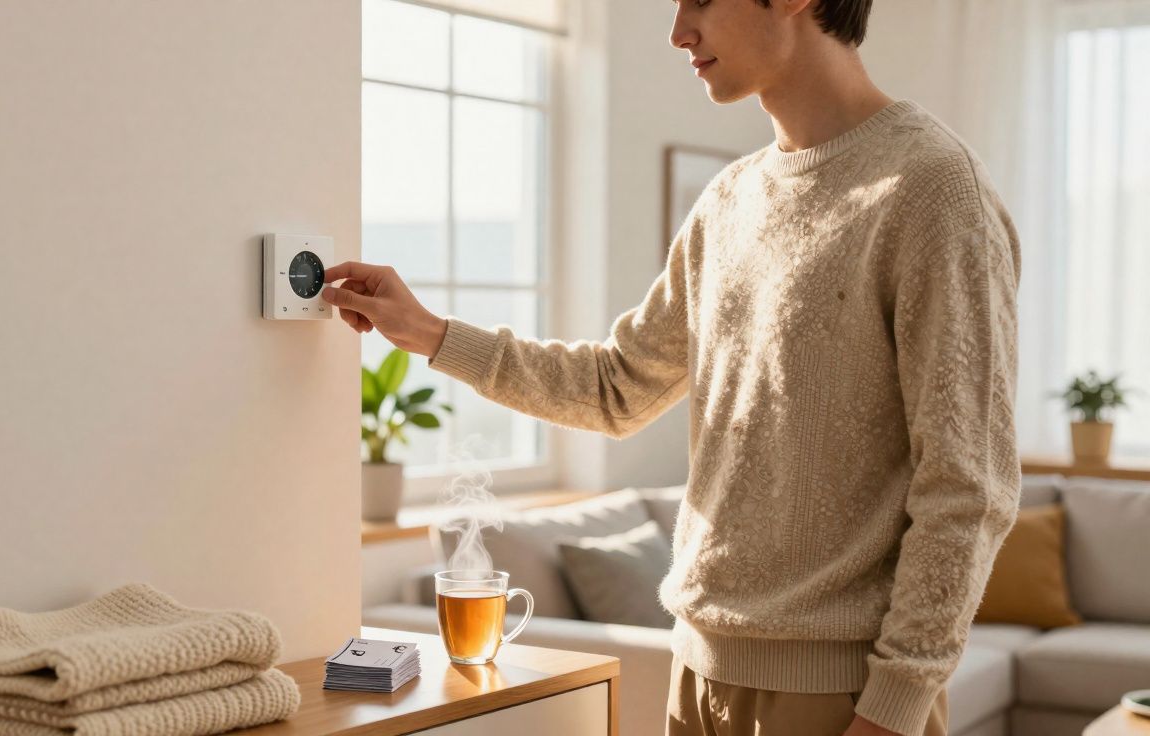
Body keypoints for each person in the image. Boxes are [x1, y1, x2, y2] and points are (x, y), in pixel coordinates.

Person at [322, 0, 1022, 733]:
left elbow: (967, 488)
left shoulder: (934, 190)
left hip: (839, 700)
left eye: (700, 1)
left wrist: (895, 706)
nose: (678, 31)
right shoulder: (728, 202)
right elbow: (615, 388)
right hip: (697, 680)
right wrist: (431, 333)